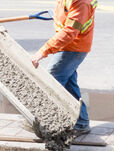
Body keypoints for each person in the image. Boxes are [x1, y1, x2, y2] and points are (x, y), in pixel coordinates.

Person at [31, 0, 97, 136]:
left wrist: (44, 51)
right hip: (69, 46)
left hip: (74, 47)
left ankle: (48, 122)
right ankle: (81, 122)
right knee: (68, 85)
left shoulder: (81, 2)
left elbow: (70, 31)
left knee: (52, 82)